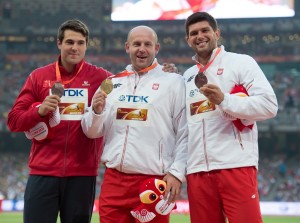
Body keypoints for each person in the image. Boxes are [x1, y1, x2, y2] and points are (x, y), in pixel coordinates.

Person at [81, 25, 188, 223]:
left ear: (157, 48)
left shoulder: (174, 82)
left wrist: (176, 173)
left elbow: (185, 133)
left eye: (147, 44)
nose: (142, 48)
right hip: (114, 181)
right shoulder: (111, 83)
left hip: (153, 181)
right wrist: (96, 112)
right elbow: (91, 132)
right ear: (127, 47)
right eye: (137, 44)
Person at [183, 12, 278, 223]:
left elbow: (269, 105)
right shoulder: (187, 76)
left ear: (216, 33)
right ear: (187, 39)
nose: (200, 36)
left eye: (205, 30)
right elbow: (184, 128)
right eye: (194, 33)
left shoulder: (241, 63)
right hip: (197, 170)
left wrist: (225, 100)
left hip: (235, 165)